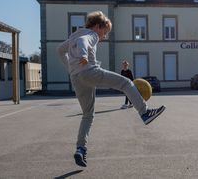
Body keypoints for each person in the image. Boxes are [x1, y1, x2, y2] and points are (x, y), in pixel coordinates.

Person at [57, 11, 165, 167]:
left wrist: (70, 67)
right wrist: (84, 55)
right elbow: (83, 41)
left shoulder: (73, 35)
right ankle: (145, 112)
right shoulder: (90, 34)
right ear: (97, 26)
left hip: (76, 79)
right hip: (89, 71)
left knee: (87, 114)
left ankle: (80, 149)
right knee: (126, 83)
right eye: (105, 32)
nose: (104, 36)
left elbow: (60, 50)